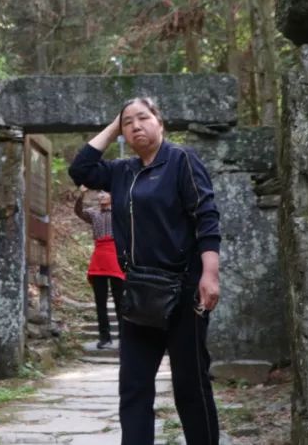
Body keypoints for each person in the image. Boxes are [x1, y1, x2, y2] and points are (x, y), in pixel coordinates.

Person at [68, 96, 221, 445]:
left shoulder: (182, 160)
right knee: (134, 387)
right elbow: (80, 170)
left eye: (143, 117)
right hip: (138, 293)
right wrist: (113, 124)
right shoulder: (121, 171)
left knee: (190, 385)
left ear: (160, 122)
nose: (136, 126)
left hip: (185, 291)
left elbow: (206, 217)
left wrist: (210, 273)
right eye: (128, 122)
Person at [74, 186, 125, 349]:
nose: (101, 195)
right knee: (100, 301)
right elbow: (78, 211)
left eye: (105, 193)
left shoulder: (119, 213)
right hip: (99, 257)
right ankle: (105, 337)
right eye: (100, 193)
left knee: (120, 300)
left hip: (115, 256)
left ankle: (124, 336)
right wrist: (81, 194)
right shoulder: (93, 214)